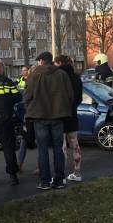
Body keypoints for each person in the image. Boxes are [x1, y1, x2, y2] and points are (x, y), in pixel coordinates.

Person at [24, 51, 74, 190]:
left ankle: (45, 181)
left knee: (43, 149)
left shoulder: (33, 75)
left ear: (41, 61)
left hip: (40, 117)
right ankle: (59, 180)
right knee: (58, 149)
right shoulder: (61, 74)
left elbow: (26, 97)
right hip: (58, 117)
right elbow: (70, 95)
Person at [55, 55, 83, 182]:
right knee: (75, 143)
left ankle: (61, 176)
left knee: (62, 146)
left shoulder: (58, 77)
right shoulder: (77, 77)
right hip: (72, 114)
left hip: (60, 115)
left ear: (59, 63)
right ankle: (77, 173)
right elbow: (79, 98)